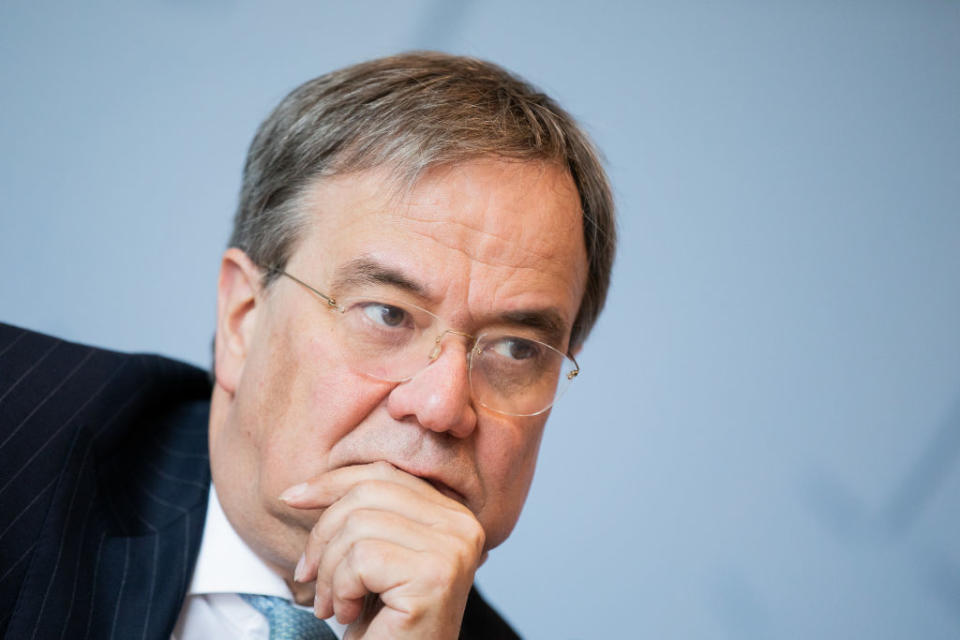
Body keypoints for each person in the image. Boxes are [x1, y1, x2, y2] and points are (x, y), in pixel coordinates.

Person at [0, 51, 615, 639]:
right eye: (388, 314)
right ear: (242, 317)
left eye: (515, 350)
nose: (442, 407)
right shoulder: (19, 437)